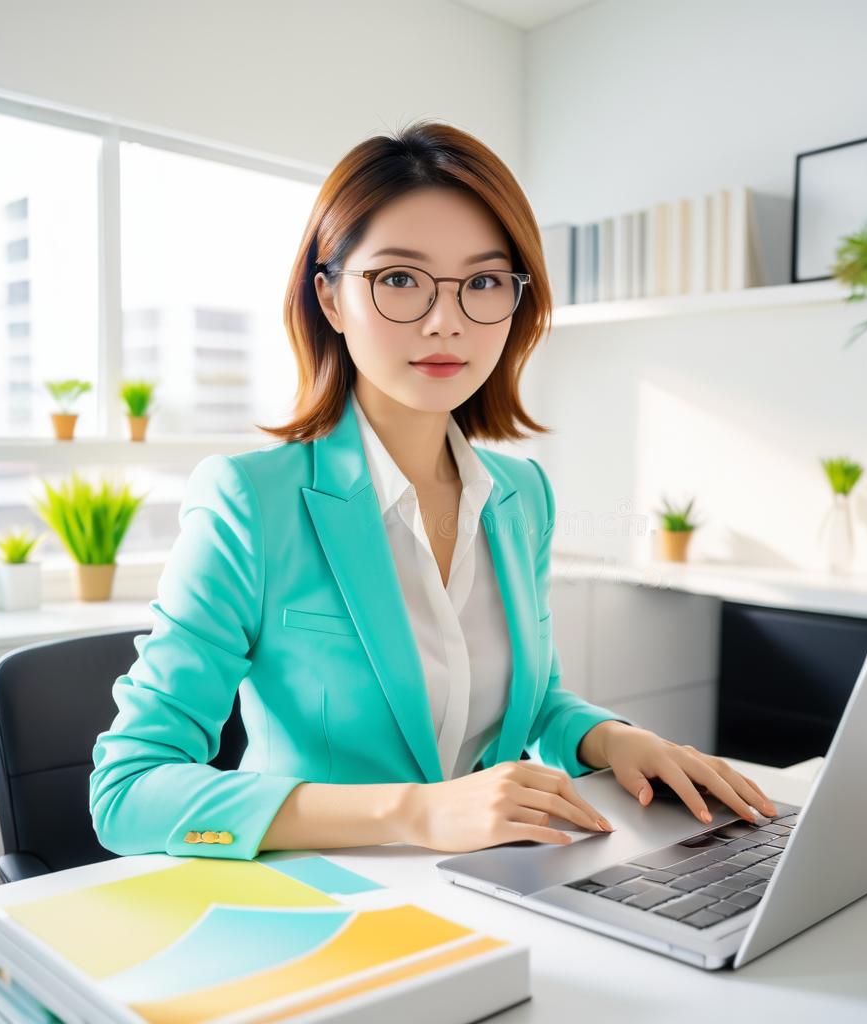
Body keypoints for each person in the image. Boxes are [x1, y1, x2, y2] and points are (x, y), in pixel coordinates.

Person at [89, 119, 776, 862]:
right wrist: (415, 813)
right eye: (399, 279)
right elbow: (127, 792)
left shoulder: (522, 494)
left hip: (499, 885)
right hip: (322, 903)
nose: (446, 321)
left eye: (482, 282)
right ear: (329, 299)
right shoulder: (249, 501)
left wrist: (611, 738)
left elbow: (529, 702)